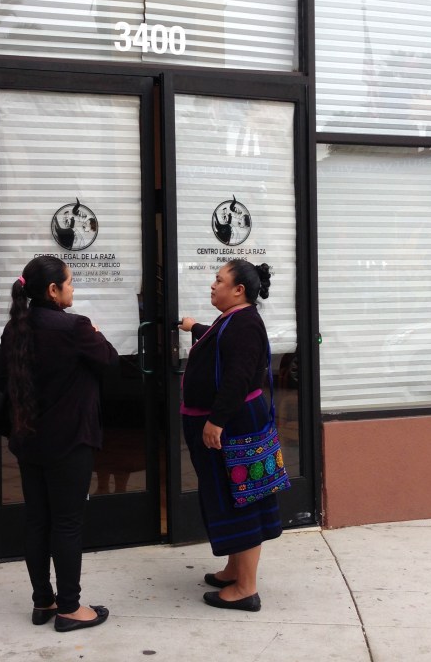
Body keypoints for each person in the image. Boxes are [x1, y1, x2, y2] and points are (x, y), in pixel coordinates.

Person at [0, 255, 118, 632]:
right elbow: (111, 361)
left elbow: (3, 380)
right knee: (66, 524)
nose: (73, 288)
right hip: (69, 442)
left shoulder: (15, 328)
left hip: (28, 438)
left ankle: (43, 601)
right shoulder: (74, 327)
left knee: (37, 522)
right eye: (69, 282)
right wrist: (95, 332)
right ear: (53, 290)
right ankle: (70, 609)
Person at [178, 260, 282, 612]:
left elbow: (237, 377)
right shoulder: (234, 320)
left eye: (219, 280)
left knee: (242, 497)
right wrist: (195, 328)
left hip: (233, 426)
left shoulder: (245, 324)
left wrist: (216, 422)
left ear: (238, 290)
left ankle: (246, 588)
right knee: (227, 494)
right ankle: (235, 570)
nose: (212, 285)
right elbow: (222, 343)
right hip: (227, 423)